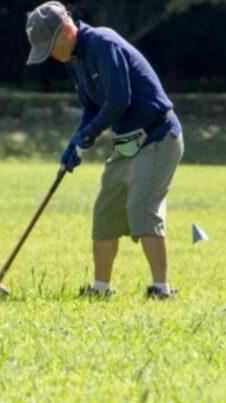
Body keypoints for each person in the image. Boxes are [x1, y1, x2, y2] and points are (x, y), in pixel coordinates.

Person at [25, 2, 184, 299]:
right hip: (127, 142)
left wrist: (89, 134)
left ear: (66, 30)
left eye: (50, 47)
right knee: (105, 213)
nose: (51, 56)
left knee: (142, 209)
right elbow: (92, 106)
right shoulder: (74, 59)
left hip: (158, 136)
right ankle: (101, 289)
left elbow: (118, 100)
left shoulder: (102, 43)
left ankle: (161, 289)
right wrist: (75, 141)